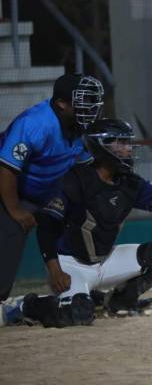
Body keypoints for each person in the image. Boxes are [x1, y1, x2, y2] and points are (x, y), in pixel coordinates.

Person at [1, 118, 152, 328]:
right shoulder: (75, 179)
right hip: (70, 265)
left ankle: (119, 302)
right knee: (78, 315)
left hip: (104, 261)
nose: (128, 148)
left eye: (128, 143)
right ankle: (25, 306)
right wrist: (54, 270)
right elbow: (47, 225)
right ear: (102, 146)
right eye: (121, 143)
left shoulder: (129, 182)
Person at [0, 73, 104, 301]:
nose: (91, 107)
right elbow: (6, 169)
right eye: (84, 101)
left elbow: (86, 171)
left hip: (44, 192)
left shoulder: (80, 127)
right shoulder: (34, 124)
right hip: (9, 187)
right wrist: (15, 209)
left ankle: (82, 283)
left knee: (86, 219)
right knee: (12, 232)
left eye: (92, 100)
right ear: (62, 104)